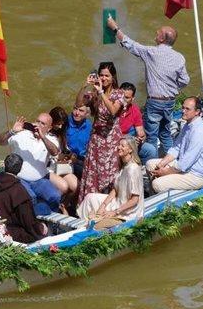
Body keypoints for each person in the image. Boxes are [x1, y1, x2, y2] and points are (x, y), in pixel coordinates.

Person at [106, 16, 189, 157]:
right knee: (165, 133)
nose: (156, 33)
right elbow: (185, 80)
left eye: (158, 32)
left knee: (151, 136)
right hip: (170, 101)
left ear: (162, 39)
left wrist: (114, 27)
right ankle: (171, 161)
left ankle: (153, 165)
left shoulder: (152, 53)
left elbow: (130, 44)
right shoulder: (179, 57)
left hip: (155, 102)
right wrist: (173, 88)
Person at [77, 62, 127, 206]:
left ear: (113, 77)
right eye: (101, 75)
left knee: (110, 173)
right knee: (94, 172)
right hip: (96, 139)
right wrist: (85, 86)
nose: (103, 78)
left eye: (107, 76)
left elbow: (113, 110)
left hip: (111, 140)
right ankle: (91, 205)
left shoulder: (119, 94)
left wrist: (101, 93)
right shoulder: (94, 92)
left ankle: (109, 204)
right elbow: (79, 103)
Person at [0, 112, 61, 215]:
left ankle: (51, 222)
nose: (38, 125)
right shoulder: (22, 134)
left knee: (55, 196)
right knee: (30, 198)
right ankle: (32, 223)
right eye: (37, 121)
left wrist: (42, 137)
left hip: (40, 180)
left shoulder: (51, 139)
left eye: (42, 124)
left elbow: (55, 152)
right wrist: (12, 131)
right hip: (20, 179)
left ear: (49, 128)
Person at [145, 97, 203, 192]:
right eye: (183, 107)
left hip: (198, 175)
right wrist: (162, 163)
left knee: (157, 184)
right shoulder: (187, 125)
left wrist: (166, 172)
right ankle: (153, 193)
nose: (183, 111)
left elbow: (186, 163)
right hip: (185, 167)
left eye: (187, 109)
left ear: (197, 112)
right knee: (150, 164)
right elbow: (176, 148)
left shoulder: (199, 132)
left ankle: (161, 196)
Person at [78, 136, 145, 228]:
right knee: (90, 197)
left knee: (99, 224)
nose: (118, 147)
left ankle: (90, 227)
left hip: (129, 213)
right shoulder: (124, 166)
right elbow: (115, 190)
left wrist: (115, 212)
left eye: (122, 146)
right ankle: (84, 225)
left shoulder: (133, 169)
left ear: (130, 150)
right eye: (119, 145)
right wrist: (103, 205)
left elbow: (135, 199)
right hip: (118, 202)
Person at [0, 153, 48, 244]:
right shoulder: (19, 191)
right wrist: (40, 227)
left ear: (5, 165)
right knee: (44, 230)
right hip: (11, 234)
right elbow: (28, 221)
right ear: (20, 169)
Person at [47, 106, 78, 212]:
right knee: (63, 186)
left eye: (62, 124)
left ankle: (63, 205)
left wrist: (72, 156)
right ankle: (53, 207)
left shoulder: (61, 135)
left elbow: (66, 150)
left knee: (76, 185)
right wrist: (58, 156)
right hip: (49, 169)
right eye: (58, 123)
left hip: (61, 168)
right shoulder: (45, 134)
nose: (60, 127)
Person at [118, 82, 158, 164]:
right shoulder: (112, 108)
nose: (123, 100)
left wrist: (140, 138)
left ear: (132, 98)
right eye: (121, 97)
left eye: (127, 98)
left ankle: (144, 171)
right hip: (116, 144)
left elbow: (141, 132)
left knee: (151, 150)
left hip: (130, 143)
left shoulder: (135, 109)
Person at [66, 101, 92, 179]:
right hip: (67, 157)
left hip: (81, 159)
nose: (77, 113)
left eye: (81, 111)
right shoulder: (65, 122)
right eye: (75, 109)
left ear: (87, 114)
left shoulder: (90, 126)